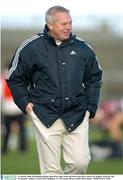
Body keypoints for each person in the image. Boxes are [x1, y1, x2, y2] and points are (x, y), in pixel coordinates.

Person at [6, 6, 102, 174]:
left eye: (70, 23)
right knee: (51, 171)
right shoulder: (31, 48)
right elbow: (15, 78)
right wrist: (25, 103)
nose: (69, 27)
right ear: (50, 25)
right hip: (44, 113)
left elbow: (94, 78)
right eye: (64, 24)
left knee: (79, 164)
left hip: (78, 112)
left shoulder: (83, 48)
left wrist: (90, 107)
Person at [1, 70, 27, 153]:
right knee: (21, 131)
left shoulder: (3, 81)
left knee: (8, 131)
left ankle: (5, 150)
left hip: (9, 110)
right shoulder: (18, 81)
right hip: (16, 109)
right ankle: (22, 149)